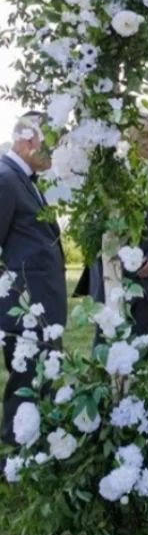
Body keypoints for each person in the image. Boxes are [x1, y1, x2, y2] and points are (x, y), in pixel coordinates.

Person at [0, 112, 67, 448]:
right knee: (25, 379)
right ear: (28, 141)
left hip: (43, 303)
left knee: (42, 377)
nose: (53, 155)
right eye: (50, 146)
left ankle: (34, 448)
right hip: (25, 305)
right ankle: (12, 455)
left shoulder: (22, 178)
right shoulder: (5, 178)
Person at [86, 114, 148, 337]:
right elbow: (93, 228)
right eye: (145, 136)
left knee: (142, 348)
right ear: (128, 139)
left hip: (147, 282)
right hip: (111, 281)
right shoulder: (106, 181)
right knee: (107, 348)